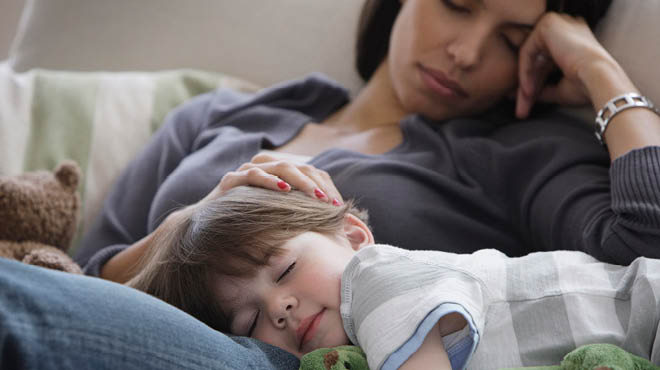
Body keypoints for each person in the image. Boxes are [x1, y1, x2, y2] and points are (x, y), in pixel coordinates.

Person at [64, 0, 659, 367]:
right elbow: (79, 284)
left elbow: (646, 247)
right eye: (456, 3)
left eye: (510, 40)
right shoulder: (224, 116)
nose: (465, 52)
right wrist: (191, 220)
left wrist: (598, 68)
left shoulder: (510, 153)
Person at [126, 185, 660, 370]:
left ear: (354, 237)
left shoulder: (377, 276)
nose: (280, 308)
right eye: (248, 320)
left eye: (285, 269)